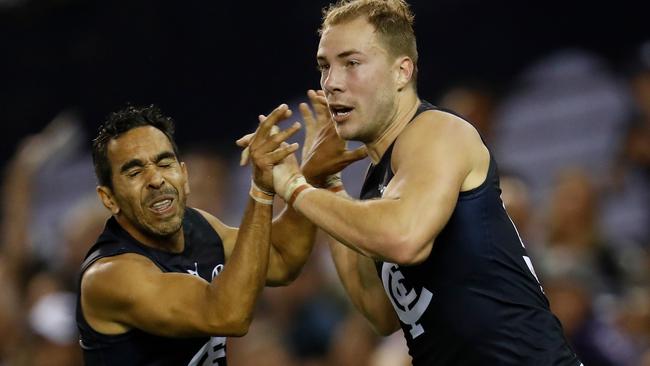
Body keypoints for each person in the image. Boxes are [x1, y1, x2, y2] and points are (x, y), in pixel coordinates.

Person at [242, 0, 584, 364]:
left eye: (351, 63)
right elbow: (380, 312)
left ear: (402, 71)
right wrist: (328, 183)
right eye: (325, 67)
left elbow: (404, 240)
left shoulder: (437, 131)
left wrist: (295, 186)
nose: (332, 83)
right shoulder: (380, 186)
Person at [76, 103, 318, 365]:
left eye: (164, 163)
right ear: (109, 198)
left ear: (184, 175)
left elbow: (282, 261)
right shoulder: (109, 276)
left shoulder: (200, 227)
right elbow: (227, 315)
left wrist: (314, 174)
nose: (156, 179)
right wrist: (261, 189)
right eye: (135, 172)